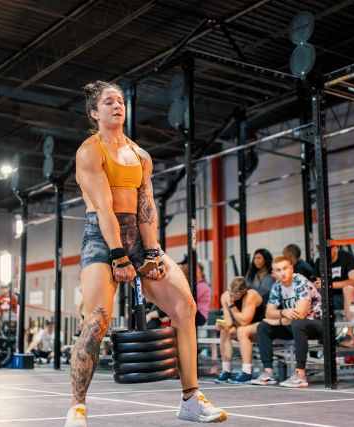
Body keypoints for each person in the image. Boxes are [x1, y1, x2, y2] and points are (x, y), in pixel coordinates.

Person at [65, 81, 225, 426]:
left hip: (138, 238)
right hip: (101, 237)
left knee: (186, 307)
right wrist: (120, 257)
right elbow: (105, 210)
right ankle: (77, 407)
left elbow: (146, 208)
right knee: (97, 319)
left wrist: (151, 252)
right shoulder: (89, 151)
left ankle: (190, 399)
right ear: (95, 112)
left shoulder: (141, 156)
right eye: (108, 102)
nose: (117, 106)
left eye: (120, 101)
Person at [252, 256, 323, 388]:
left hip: (318, 324)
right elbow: (268, 312)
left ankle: (300, 375)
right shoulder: (277, 286)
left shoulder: (300, 281)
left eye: (285, 268)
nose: (283, 273)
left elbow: (301, 314)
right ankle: (268, 372)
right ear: (274, 273)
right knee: (263, 326)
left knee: (298, 323)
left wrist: (277, 321)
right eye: (278, 270)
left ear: (291, 268)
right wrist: (282, 313)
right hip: (294, 325)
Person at [214, 276, 265, 384]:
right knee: (225, 331)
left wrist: (231, 304)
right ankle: (226, 370)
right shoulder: (225, 296)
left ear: (241, 293)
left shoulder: (251, 294)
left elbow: (245, 321)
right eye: (230, 293)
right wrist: (221, 325)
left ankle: (247, 372)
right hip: (243, 328)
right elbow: (228, 322)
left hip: (260, 328)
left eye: (234, 294)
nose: (231, 296)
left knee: (242, 329)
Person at [312, 243, 354, 346]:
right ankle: (320, 337)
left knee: (348, 289)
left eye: (329, 249)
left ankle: (350, 335)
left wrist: (327, 284)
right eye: (323, 250)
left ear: (336, 247)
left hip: (351, 295)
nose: (326, 252)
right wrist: (315, 285)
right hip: (330, 297)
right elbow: (315, 283)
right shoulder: (319, 262)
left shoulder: (347, 257)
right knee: (311, 294)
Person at [179, 259, 212, 327]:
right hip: (194, 311)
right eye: (193, 270)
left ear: (201, 273)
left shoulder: (203, 286)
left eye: (196, 270)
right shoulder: (194, 284)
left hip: (200, 315)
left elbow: (189, 299)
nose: (193, 272)